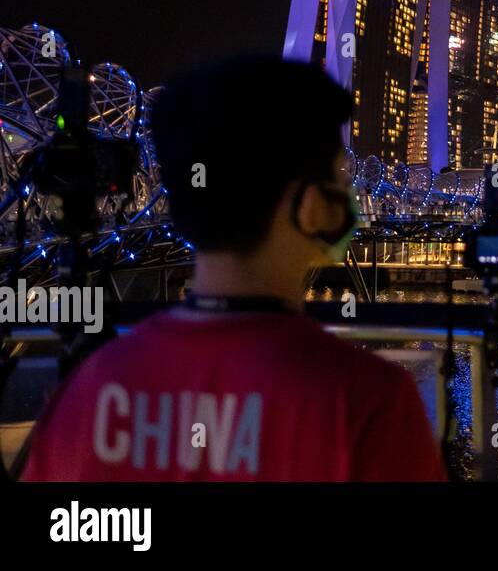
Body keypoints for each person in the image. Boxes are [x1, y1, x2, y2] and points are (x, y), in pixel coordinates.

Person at [23, 56, 447, 481]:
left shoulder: (86, 391)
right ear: (310, 206)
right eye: (338, 180)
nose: (351, 198)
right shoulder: (369, 403)